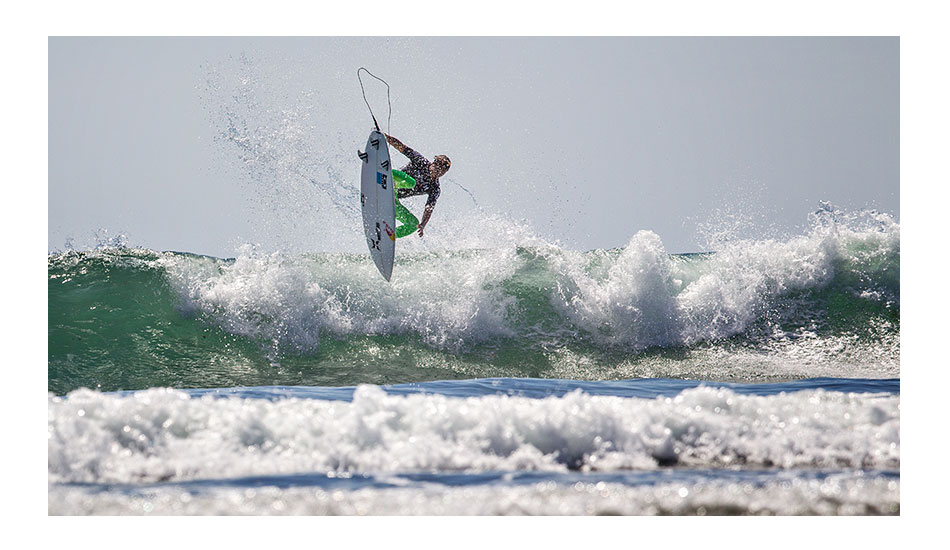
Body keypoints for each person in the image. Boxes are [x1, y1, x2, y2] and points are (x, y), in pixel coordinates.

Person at [384, 134, 451, 238]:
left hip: (393, 198)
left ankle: (386, 236)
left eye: (442, 172)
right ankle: (384, 173)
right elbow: (402, 147)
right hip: (390, 180)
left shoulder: (434, 188)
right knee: (412, 183)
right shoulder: (421, 162)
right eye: (438, 169)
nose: (439, 173)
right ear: (433, 164)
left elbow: (429, 208)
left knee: (413, 224)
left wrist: (423, 224)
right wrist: (385, 137)